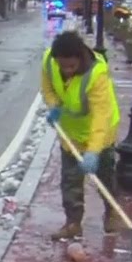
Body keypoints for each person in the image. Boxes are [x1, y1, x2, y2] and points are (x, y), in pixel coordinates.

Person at [42, 30, 123, 241]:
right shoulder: (50, 61)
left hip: (101, 131)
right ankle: (73, 223)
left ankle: (112, 213)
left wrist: (93, 151)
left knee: (104, 176)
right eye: (63, 66)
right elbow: (48, 88)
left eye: (71, 66)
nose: (67, 71)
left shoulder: (97, 75)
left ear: (80, 57)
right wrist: (54, 107)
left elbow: (100, 117)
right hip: (71, 133)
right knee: (70, 180)